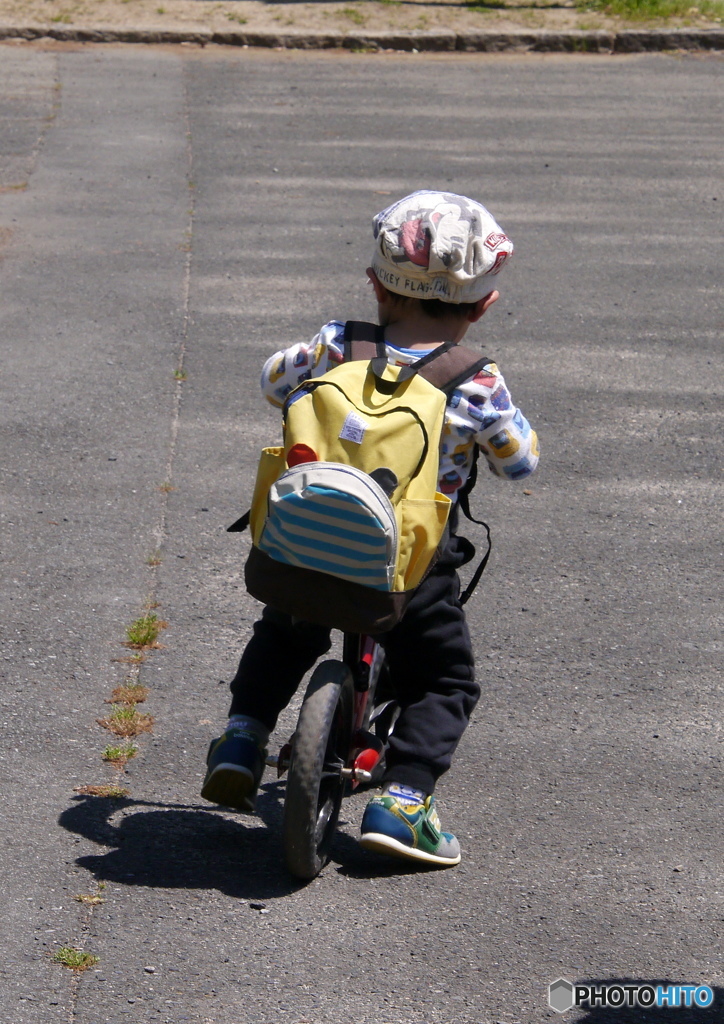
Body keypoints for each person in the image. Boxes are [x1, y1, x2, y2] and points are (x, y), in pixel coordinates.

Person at [201, 190, 539, 867]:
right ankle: (405, 800)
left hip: (303, 544)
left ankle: (242, 736)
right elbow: (520, 461)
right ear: (482, 305)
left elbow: (273, 381)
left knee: (283, 633)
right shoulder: (474, 382)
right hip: (410, 568)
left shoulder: (337, 344)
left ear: (375, 283)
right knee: (443, 679)